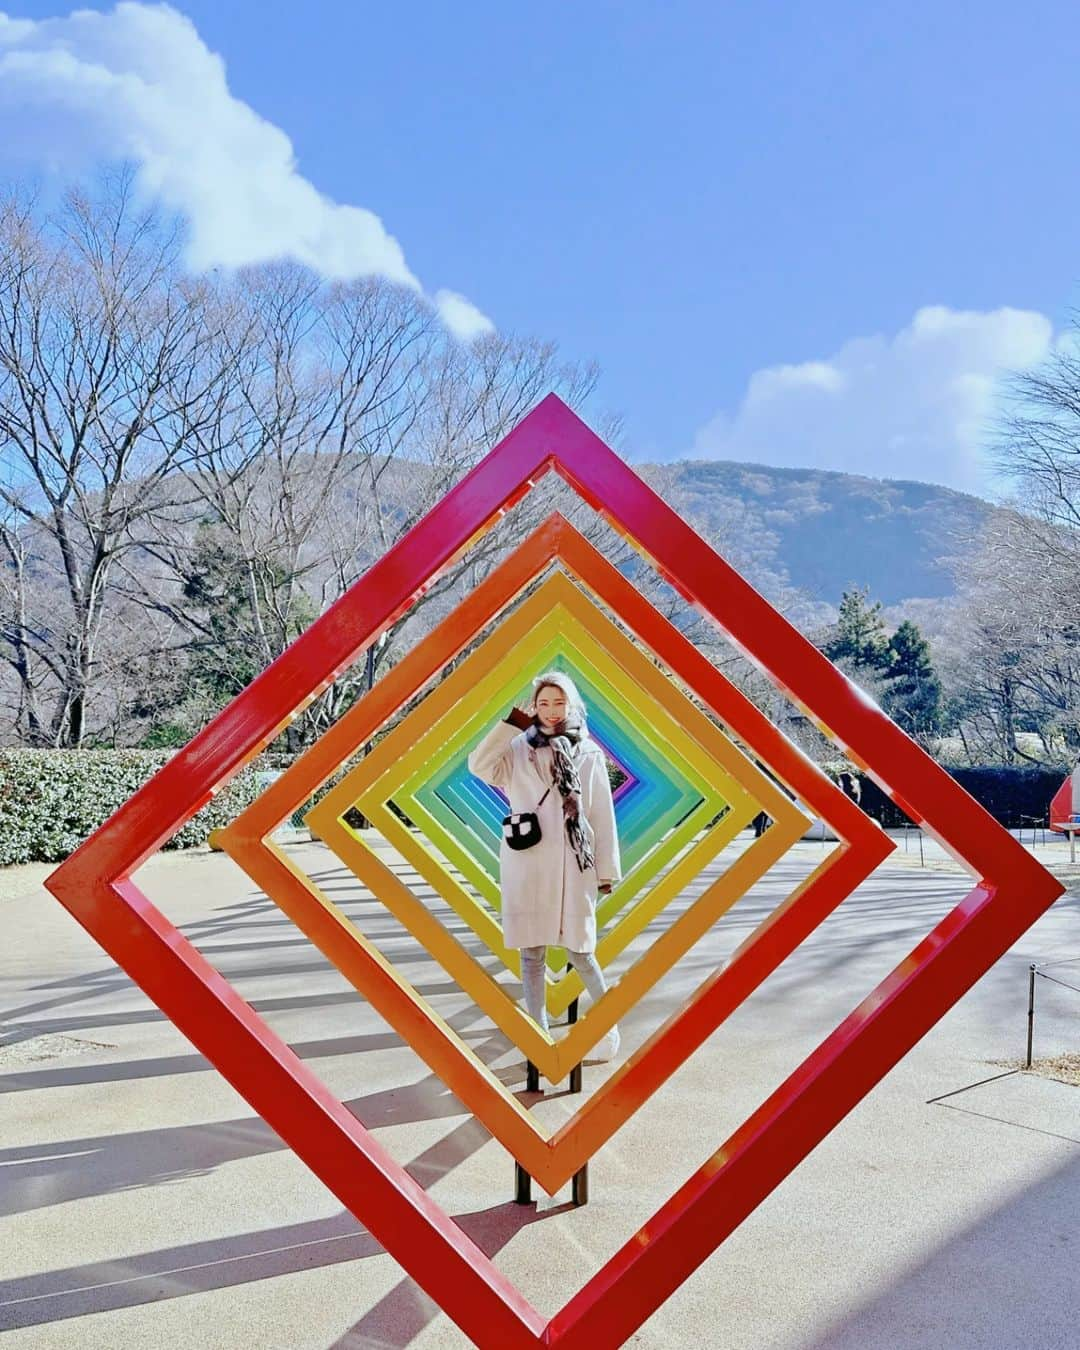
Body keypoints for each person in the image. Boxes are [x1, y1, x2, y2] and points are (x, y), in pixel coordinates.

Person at [467, 671, 622, 1061]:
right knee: (531, 955)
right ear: (533, 707)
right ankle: (537, 1037)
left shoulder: (588, 753)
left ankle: (608, 1029)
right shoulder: (517, 748)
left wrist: (606, 871)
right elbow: (479, 767)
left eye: (559, 703)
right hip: (528, 861)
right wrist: (506, 727)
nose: (551, 711)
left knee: (581, 952)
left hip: (574, 862)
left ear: (572, 705)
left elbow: (601, 814)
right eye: (543, 703)